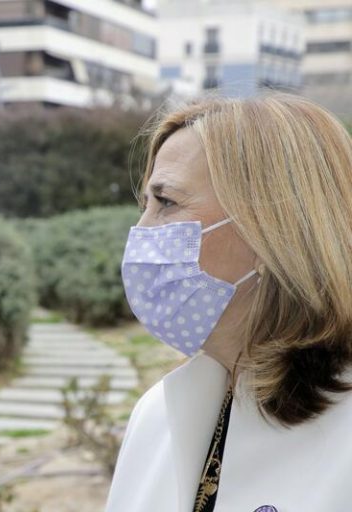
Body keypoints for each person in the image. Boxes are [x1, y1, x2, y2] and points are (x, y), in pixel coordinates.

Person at [106, 93, 352, 512]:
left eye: (166, 202)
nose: (141, 231)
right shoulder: (156, 415)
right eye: (145, 205)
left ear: (274, 230)